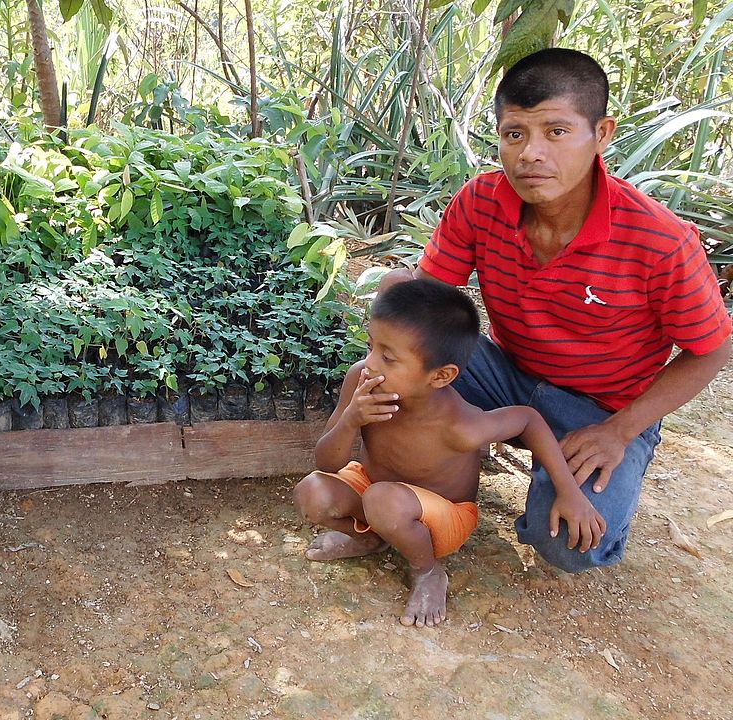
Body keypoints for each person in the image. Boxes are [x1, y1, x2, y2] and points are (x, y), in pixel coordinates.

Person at [391, 48, 731, 573]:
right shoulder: (480, 203)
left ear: (602, 134)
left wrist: (620, 430)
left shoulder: (658, 239)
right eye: (514, 134)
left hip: (604, 409)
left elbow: (711, 351)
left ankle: (577, 469)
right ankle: (444, 478)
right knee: (395, 377)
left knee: (570, 543)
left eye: (556, 131)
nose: (529, 154)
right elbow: (429, 303)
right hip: (506, 374)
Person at [294, 280, 602, 627]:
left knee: (385, 500)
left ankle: (427, 571)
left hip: (440, 518)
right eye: (371, 346)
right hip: (377, 491)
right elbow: (327, 464)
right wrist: (351, 419)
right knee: (313, 491)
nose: (370, 363)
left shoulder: (459, 425)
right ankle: (372, 539)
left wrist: (569, 492)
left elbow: (528, 419)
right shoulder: (360, 383)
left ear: (440, 376)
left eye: (388, 358)